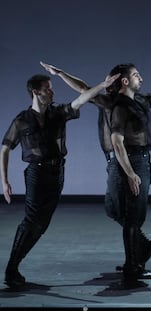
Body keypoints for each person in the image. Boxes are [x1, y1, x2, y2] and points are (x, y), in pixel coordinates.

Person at [39, 61, 151, 278]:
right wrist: (61, 73)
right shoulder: (111, 102)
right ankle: (141, 249)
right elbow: (83, 88)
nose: (142, 79)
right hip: (122, 160)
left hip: (138, 159)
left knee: (131, 214)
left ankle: (134, 262)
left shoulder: (141, 100)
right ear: (126, 80)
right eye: (137, 75)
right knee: (114, 208)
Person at [1, 72, 119, 289]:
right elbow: (6, 147)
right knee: (31, 220)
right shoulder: (22, 120)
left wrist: (102, 85)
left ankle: (14, 267)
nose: (52, 91)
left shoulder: (58, 113)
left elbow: (81, 99)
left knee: (41, 224)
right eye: (48, 88)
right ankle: (11, 268)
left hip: (57, 173)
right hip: (36, 173)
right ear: (36, 93)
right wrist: (4, 180)